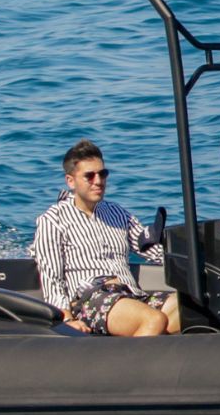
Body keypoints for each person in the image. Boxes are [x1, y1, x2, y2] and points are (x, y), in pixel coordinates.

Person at [29, 139, 181, 337]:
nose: (98, 181)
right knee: (154, 319)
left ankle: (144, 347)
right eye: (89, 176)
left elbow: (150, 249)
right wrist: (66, 319)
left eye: (103, 174)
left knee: (189, 306)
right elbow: (51, 277)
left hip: (130, 294)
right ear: (70, 181)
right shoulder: (53, 220)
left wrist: (192, 260)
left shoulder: (117, 213)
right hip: (91, 300)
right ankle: (134, 361)